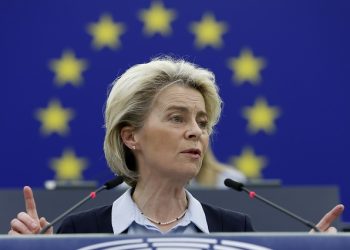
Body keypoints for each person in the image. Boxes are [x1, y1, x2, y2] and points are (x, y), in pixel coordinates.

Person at [9, 57, 344, 235]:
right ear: (130, 136)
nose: (195, 132)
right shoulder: (78, 232)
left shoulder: (234, 228)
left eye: (201, 121)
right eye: (176, 118)